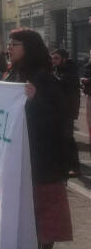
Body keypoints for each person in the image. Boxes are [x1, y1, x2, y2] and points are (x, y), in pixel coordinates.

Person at [3, 29, 71, 249]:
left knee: (44, 215)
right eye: (9, 43)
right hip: (19, 157)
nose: (9, 47)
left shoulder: (44, 78)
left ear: (29, 47)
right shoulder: (15, 74)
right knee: (25, 212)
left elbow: (60, 119)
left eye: (15, 44)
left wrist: (36, 100)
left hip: (43, 162)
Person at [52, 49, 81, 177]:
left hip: (67, 110)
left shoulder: (70, 70)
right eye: (53, 58)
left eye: (56, 58)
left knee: (68, 138)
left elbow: (62, 84)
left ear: (64, 59)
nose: (54, 61)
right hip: (59, 109)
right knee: (60, 138)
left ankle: (76, 167)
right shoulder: (58, 69)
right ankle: (65, 165)